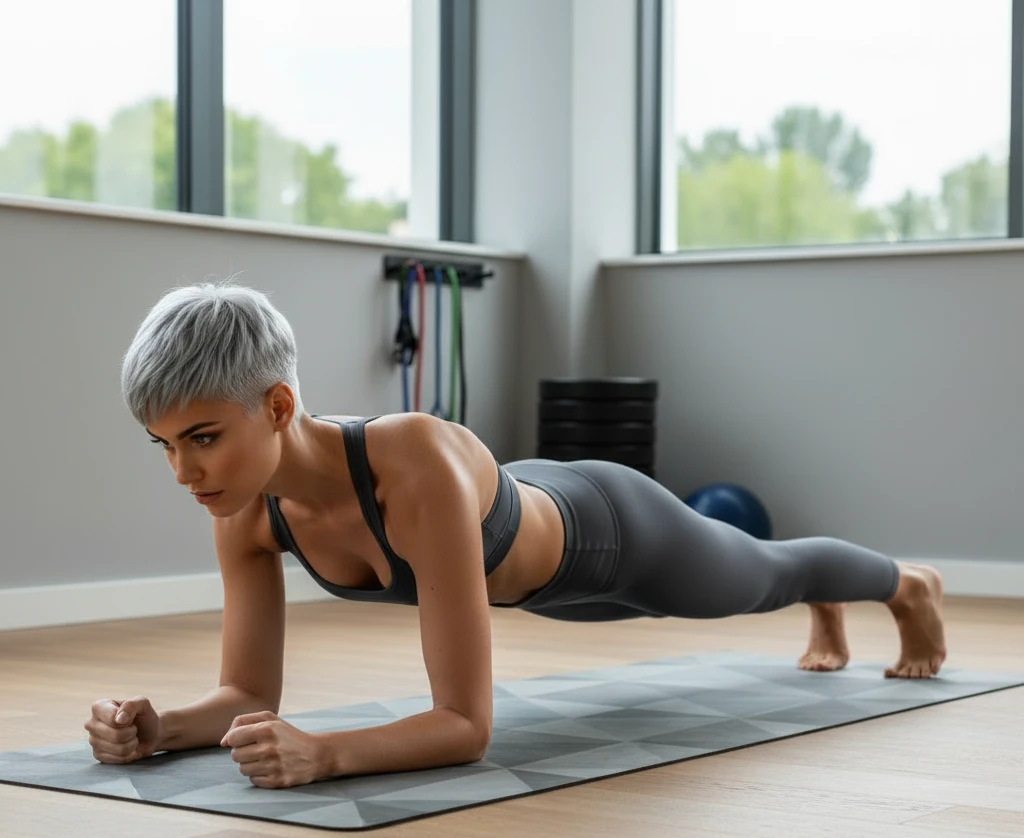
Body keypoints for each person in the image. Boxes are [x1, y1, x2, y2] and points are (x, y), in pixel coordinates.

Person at [85, 282, 947, 789]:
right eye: (164, 445)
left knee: (760, 574)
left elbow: (465, 725)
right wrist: (159, 727)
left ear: (277, 405)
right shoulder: (243, 507)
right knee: (758, 580)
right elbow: (245, 696)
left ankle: (907, 586)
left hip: (612, 533)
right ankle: (830, 600)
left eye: (202, 439)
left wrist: (328, 753)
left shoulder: (411, 463)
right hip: (552, 596)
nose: (183, 474)